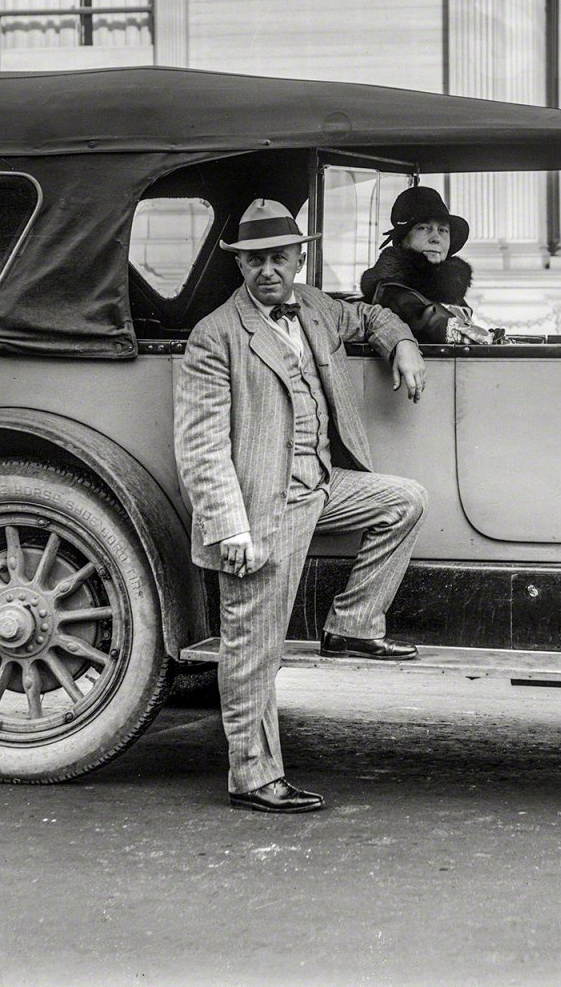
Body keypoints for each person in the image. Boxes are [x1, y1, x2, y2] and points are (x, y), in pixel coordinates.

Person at [173, 198, 430, 814]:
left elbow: (370, 314)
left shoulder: (313, 305)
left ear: (299, 258)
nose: (268, 270)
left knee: (404, 500)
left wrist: (403, 344)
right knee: (254, 646)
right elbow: (201, 443)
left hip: (321, 486)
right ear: (240, 266)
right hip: (263, 507)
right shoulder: (216, 335)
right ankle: (254, 776)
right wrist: (229, 526)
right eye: (256, 260)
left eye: (279, 258)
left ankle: (351, 626)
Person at [358, 185, 490, 345]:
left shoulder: (447, 288)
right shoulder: (391, 288)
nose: (436, 238)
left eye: (443, 230)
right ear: (402, 238)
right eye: (423, 228)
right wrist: (478, 336)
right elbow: (427, 322)